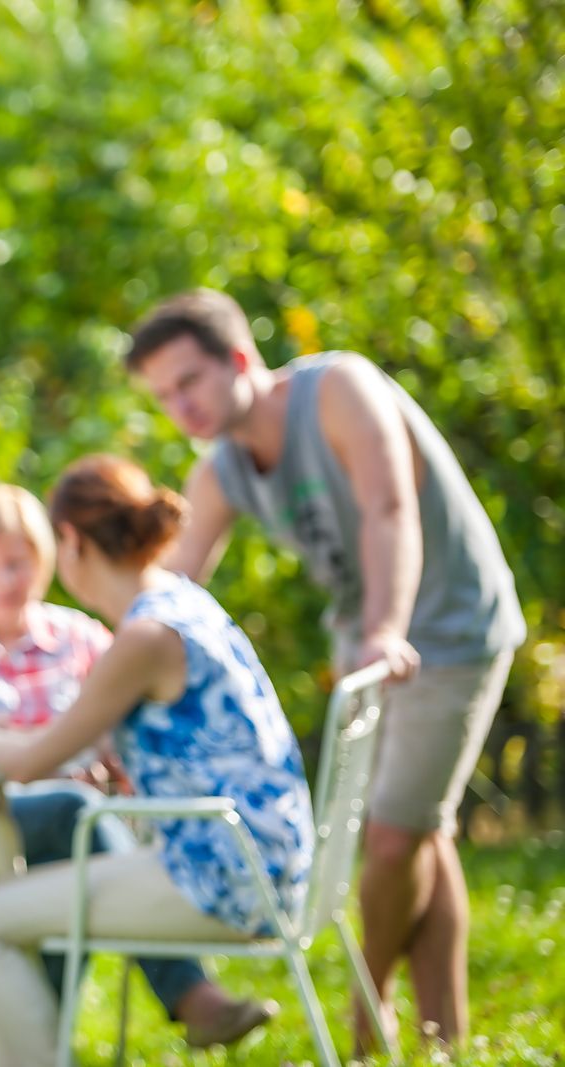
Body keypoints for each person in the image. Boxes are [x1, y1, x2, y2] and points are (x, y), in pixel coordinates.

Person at [125, 288, 524, 1048]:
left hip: (447, 630)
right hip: (368, 649)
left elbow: (388, 509)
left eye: (189, 382)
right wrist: (104, 691)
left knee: (390, 838)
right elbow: (170, 594)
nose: (181, 406)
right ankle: (446, 1040)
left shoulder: (339, 390)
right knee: (420, 836)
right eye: (163, 396)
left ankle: (366, 1022)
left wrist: (382, 629)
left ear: (239, 359)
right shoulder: (223, 469)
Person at [0, 457, 314, 1067]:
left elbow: (32, 763)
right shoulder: (183, 601)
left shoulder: (145, 636)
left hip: (224, 878)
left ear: (70, 541)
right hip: (267, 860)